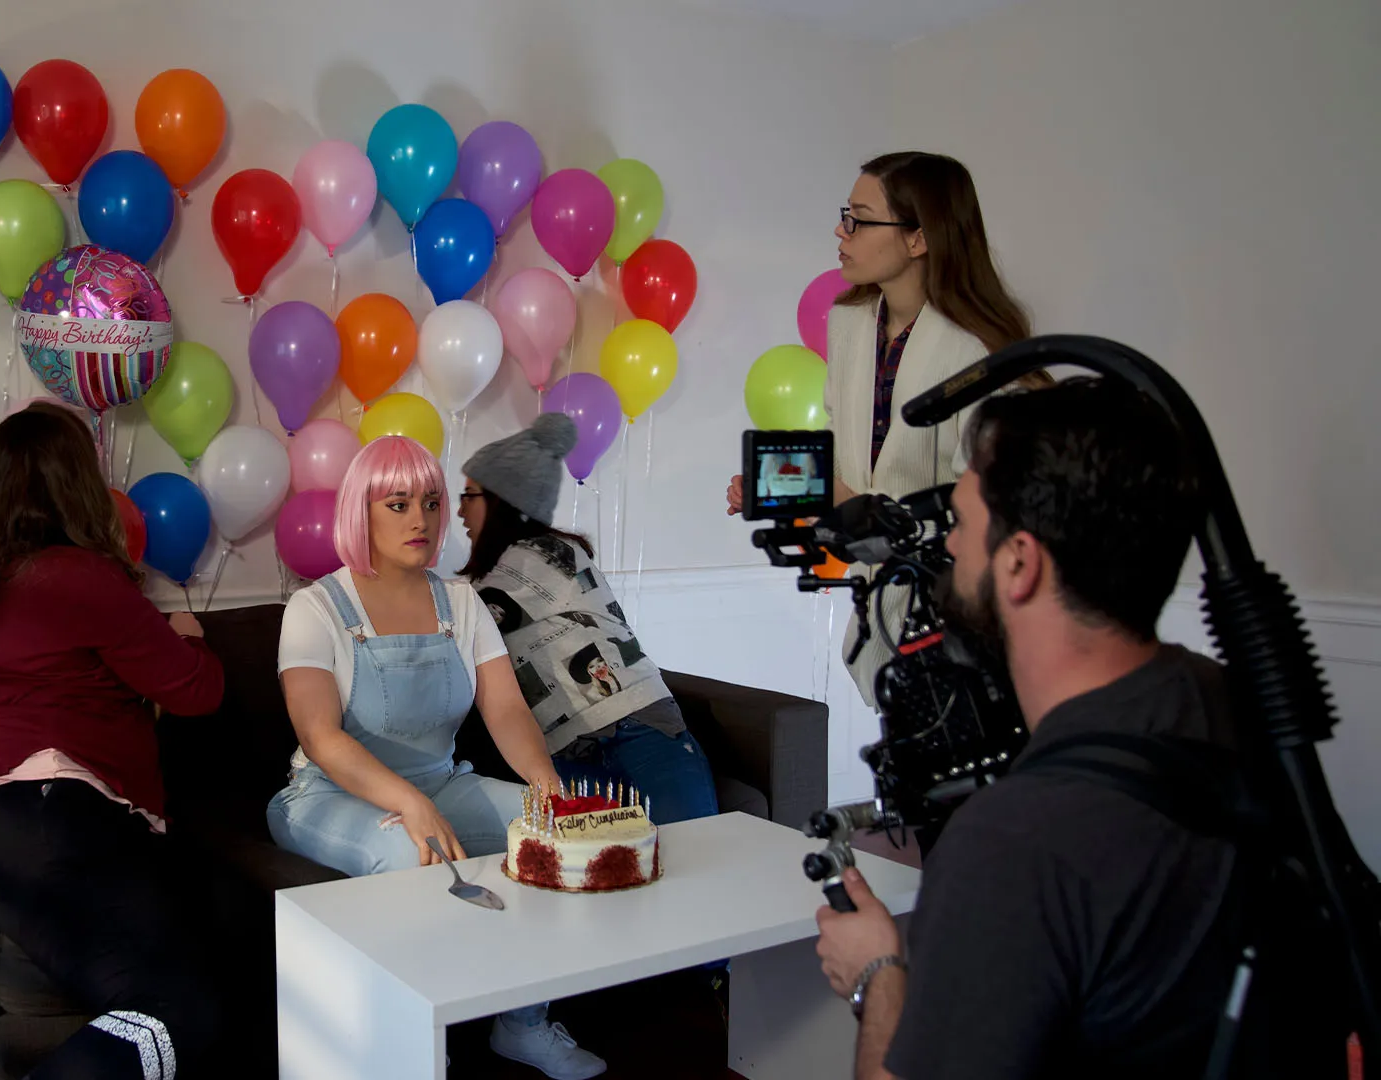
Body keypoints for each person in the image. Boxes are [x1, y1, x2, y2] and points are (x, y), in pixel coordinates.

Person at [811, 379, 1250, 1079]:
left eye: (959, 521)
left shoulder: (1011, 846)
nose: (948, 544)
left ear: (1019, 562)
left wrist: (879, 972)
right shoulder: (1219, 699)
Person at [268, 434, 608, 1080]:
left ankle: (523, 1024)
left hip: (440, 783)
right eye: (397, 504)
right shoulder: (314, 609)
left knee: (552, 836)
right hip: (328, 796)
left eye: (429, 502)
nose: (419, 519)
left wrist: (546, 785)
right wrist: (407, 803)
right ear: (359, 513)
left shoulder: (460, 602)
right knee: (407, 853)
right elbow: (320, 737)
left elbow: (505, 709)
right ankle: (409, 1044)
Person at [0, 402, 226, 1079]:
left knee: (174, 1003)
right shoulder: (80, 578)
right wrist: (188, 635)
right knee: (179, 1011)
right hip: (63, 818)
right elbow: (196, 690)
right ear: (78, 485)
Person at [726, 151, 1035, 704]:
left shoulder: (976, 351)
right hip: (883, 599)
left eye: (860, 219)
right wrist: (784, 490)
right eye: (846, 214)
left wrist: (840, 501)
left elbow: (990, 510)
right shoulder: (849, 324)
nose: (841, 231)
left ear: (918, 239)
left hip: (962, 613)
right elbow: (849, 467)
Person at [457, 413, 719, 825]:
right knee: (601, 860)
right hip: (570, 747)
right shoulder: (500, 573)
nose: (458, 511)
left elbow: (461, 614)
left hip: (636, 727)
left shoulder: (544, 555)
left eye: (468, 495)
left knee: (693, 847)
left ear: (502, 500)